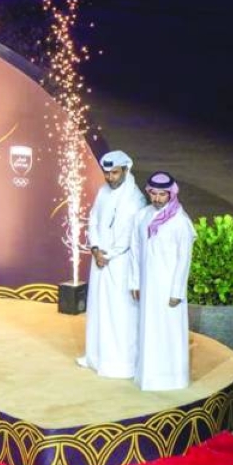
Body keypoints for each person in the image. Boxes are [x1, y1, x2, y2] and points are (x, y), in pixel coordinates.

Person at [77, 150, 147, 377]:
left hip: (120, 263)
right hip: (100, 261)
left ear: (126, 169)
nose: (110, 178)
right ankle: (96, 357)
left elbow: (129, 235)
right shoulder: (103, 192)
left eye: (114, 173)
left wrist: (108, 254)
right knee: (98, 309)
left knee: (120, 313)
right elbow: (94, 220)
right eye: (107, 173)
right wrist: (95, 248)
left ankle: (121, 364)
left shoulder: (135, 199)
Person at [129, 171, 196, 391]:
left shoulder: (180, 222)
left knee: (169, 333)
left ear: (171, 194)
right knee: (148, 330)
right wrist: (135, 282)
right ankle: (148, 376)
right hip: (148, 288)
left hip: (169, 290)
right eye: (153, 194)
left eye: (162, 195)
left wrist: (177, 291)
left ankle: (171, 378)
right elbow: (135, 252)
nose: (157, 199)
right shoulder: (142, 216)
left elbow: (184, 259)